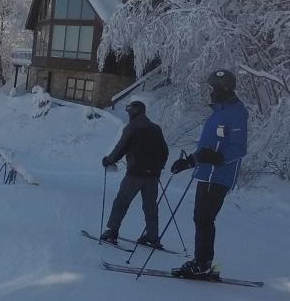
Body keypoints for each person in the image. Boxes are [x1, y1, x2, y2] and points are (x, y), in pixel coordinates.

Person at [168, 69, 249, 278]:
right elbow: (207, 147)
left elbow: (238, 148)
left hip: (220, 176)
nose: (210, 92)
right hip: (206, 174)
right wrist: (188, 162)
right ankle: (202, 261)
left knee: (204, 218)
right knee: (200, 218)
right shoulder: (217, 113)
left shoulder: (237, 113)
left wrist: (216, 158)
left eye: (213, 88)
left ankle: (203, 264)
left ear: (223, 89)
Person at [99, 100, 169, 247]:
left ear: (134, 112)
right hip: (153, 176)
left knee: (122, 202)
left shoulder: (132, 127)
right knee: (150, 206)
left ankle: (112, 232)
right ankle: (152, 237)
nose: (128, 113)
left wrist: (109, 160)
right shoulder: (156, 128)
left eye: (129, 110)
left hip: (135, 174)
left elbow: (121, 148)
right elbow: (164, 152)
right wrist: (158, 167)